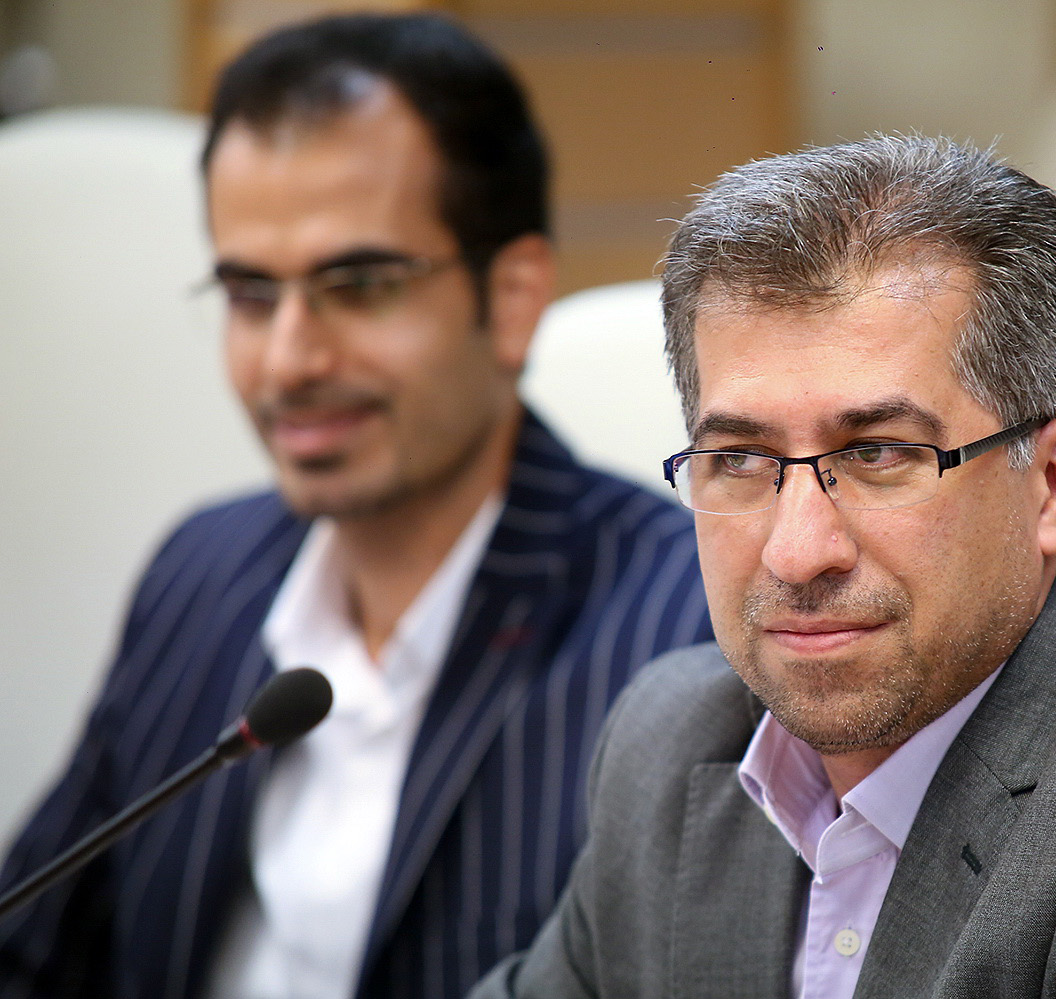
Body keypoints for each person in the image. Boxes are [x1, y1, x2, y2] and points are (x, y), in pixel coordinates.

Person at [472, 134, 1056, 998]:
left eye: (879, 453)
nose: (796, 551)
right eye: (741, 460)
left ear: (1052, 481)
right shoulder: (672, 741)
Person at [0, 13, 712, 999]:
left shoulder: (684, 628)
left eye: (360, 285)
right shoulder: (200, 571)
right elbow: (32, 952)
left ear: (511, 299)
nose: (288, 360)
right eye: (251, 294)